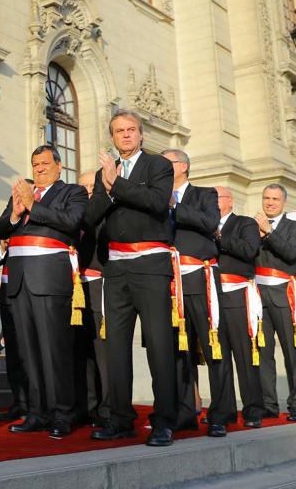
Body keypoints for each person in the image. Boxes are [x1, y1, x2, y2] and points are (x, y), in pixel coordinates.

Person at [85, 109, 177, 447]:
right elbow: (91, 215)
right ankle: (120, 419)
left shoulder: (158, 166)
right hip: (116, 267)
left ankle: (165, 420)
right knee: (116, 347)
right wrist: (108, 188)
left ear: (140, 135)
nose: (125, 135)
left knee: (158, 342)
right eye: (118, 131)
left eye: (131, 130)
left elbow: (156, 203)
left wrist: (117, 184)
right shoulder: (103, 175)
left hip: (150, 263)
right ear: (112, 137)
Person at [0, 145, 87, 438]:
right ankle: (36, 412)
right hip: (19, 280)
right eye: (35, 164)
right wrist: (16, 213)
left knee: (53, 350)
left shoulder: (73, 192)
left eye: (45, 163)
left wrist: (34, 207)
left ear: (58, 166)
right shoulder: (21, 197)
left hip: (50, 279)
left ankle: (62, 413)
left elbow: (71, 222)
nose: (40, 168)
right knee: (28, 351)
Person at [161, 149, 234, 437]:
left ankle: (221, 413)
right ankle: (184, 411)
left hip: (200, 276)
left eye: (166, 163)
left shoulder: (204, 194)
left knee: (213, 345)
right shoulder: (156, 196)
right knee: (179, 350)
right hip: (170, 281)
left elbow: (209, 223)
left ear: (182, 166)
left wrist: (174, 206)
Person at [254, 184, 296, 422]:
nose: (270, 202)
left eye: (275, 198)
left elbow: (290, 253)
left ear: (283, 202)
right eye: (266, 198)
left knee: (292, 351)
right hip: (257, 294)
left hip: (284, 293)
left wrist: (269, 232)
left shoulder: (295, 226)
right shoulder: (251, 226)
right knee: (263, 353)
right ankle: (268, 404)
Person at [215, 187, 264, 428]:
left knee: (245, 354)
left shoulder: (244, 223)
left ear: (229, 201)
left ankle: (253, 409)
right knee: (219, 356)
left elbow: (249, 250)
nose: (212, 203)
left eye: (217, 198)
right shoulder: (205, 225)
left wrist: (220, 237)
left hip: (237, 294)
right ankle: (224, 411)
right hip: (213, 296)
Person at [76, 170, 109, 427]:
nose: (87, 191)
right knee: (81, 351)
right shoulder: (73, 215)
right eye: (82, 186)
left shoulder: (106, 214)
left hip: (100, 284)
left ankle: (108, 406)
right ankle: (87, 406)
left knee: (102, 351)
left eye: (91, 186)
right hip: (75, 287)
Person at [0, 236, 29, 421]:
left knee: (31, 350)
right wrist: (3, 246)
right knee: (13, 353)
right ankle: (19, 402)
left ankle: (38, 403)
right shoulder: (8, 222)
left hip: (31, 289)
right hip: (8, 294)